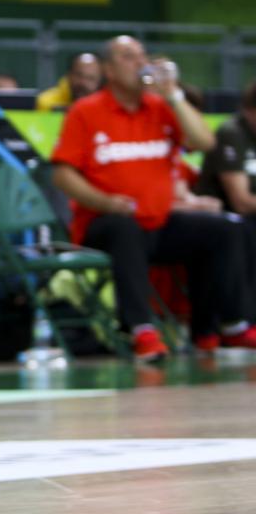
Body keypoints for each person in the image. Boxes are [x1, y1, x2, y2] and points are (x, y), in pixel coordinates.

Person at [50, 35, 256, 361]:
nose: (140, 63)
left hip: (160, 221)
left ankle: (221, 326)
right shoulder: (86, 111)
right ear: (109, 69)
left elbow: (203, 142)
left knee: (225, 229)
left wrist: (173, 94)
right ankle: (141, 330)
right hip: (104, 224)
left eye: (142, 55)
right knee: (125, 228)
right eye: (128, 57)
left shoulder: (160, 107)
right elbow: (62, 174)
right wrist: (104, 201)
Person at [193, 79, 256, 320]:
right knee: (243, 229)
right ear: (250, 111)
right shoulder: (232, 133)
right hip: (224, 215)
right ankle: (240, 320)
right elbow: (240, 202)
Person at [37, 52, 101, 111]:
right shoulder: (46, 102)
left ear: (99, 80)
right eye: (78, 75)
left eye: (90, 78)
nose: (83, 82)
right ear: (69, 75)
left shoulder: (107, 105)